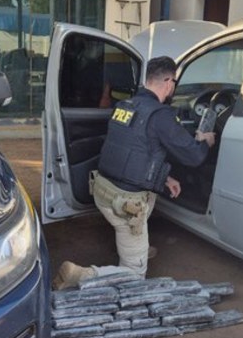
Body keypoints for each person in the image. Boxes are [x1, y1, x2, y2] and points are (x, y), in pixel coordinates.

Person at [54, 56, 216, 289]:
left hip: (102, 190)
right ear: (169, 83)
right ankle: (82, 274)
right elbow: (194, 156)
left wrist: (166, 177)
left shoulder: (125, 106)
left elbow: (137, 150)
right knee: (135, 274)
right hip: (126, 205)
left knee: (146, 201)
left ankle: (138, 246)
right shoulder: (161, 116)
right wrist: (205, 141)